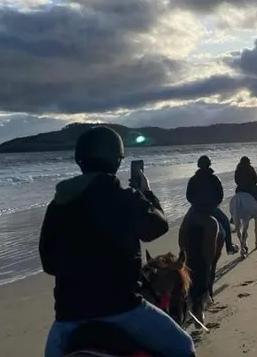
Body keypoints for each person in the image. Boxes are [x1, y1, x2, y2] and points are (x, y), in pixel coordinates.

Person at [39, 126, 195, 357]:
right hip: (122, 309)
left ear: (80, 160)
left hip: (68, 316)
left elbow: (49, 263)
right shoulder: (125, 197)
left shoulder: (58, 204)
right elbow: (157, 227)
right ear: (117, 160)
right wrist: (146, 192)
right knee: (184, 347)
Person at [186, 155, 239, 255]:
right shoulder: (214, 178)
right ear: (209, 165)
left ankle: (183, 249)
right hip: (211, 208)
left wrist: (196, 204)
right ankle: (229, 247)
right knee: (225, 222)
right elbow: (220, 194)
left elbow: (188, 196)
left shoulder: (193, 179)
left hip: (196, 208)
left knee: (185, 224)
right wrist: (215, 204)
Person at [235, 156, 257, 224]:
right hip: (251, 188)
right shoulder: (250, 168)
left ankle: (233, 217)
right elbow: (256, 179)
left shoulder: (238, 169)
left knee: (236, 201)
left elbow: (236, 180)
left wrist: (241, 185)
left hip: (240, 189)